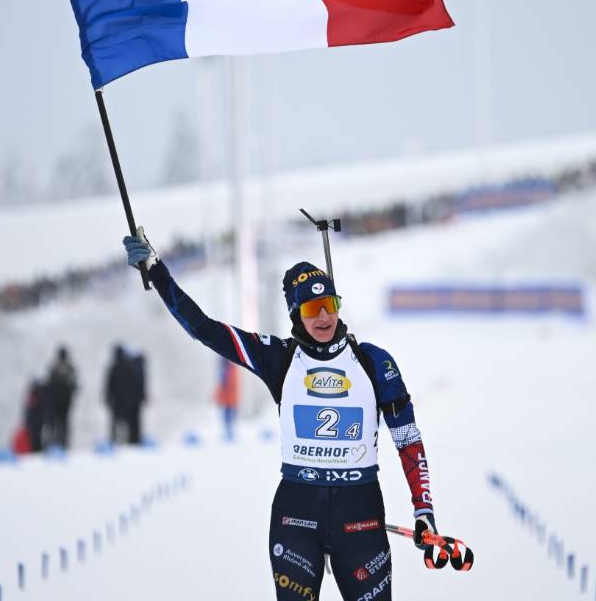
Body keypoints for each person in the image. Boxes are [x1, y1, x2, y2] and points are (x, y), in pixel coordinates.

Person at [124, 234, 439, 601]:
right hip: (296, 516)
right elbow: (204, 329)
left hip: (361, 514)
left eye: (329, 304)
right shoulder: (279, 358)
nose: (323, 316)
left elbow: (407, 439)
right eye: (310, 309)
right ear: (295, 314)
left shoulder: (373, 362)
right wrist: (157, 272)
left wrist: (424, 509)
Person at [104, 345, 145, 444]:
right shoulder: (129, 366)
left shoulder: (114, 367)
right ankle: (132, 440)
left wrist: (108, 398)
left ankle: (116, 440)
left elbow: (110, 385)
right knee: (132, 422)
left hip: (119, 400)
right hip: (128, 400)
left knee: (117, 422)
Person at [44, 347, 79, 449]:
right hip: (65, 402)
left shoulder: (54, 368)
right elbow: (75, 386)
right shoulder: (70, 369)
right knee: (63, 425)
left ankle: (54, 446)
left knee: (55, 425)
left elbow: (48, 386)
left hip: (56, 403)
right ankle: (62, 445)